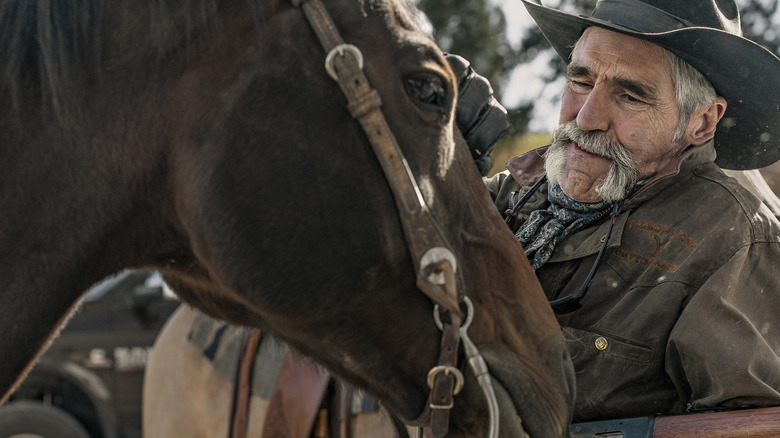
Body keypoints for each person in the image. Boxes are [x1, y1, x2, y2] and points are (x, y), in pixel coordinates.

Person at [484, 0, 780, 423]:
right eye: (581, 81)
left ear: (702, 122)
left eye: (630, 95)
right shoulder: (513, 194)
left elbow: (750, 431)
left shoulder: (732, 238)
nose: (586, 118)